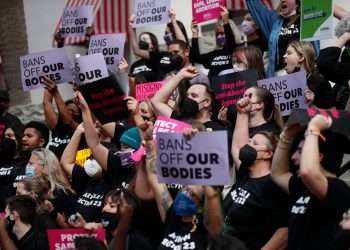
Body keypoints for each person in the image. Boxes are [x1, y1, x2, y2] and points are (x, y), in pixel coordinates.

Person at [271, 114, 350, 249]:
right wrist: (286, 136)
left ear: (318, 156)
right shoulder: (302, 185)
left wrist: (313, 129)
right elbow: (279, 173)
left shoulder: (337, 187)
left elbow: (308, 171)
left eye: (300, 151)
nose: (293, 157)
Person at [142, 122, 223, 250]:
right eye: (184, 189)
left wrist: (199, 144)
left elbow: (212, 193)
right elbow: (154, 176)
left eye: (191, 193)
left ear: (202, 203)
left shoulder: (209, 227)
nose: (184, 193)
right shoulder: (171, 216)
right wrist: (148, 140)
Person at [223, 96, 288, 249]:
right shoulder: (245, 173)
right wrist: (242, 114)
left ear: (268, 154)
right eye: (250, 140)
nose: (249, 144)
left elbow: (284, 230)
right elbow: (237, 147)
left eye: (255, 143)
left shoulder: (273, 185)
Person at [246, 0, 320, 77]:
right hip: (279, 77)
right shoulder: (274, 21)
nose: (282, 0)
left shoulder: (309, 19)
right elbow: (257, 9)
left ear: (297, 3)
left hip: (304, 75)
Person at [151, 66, 224, 131]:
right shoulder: (179, 120)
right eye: (187, 95)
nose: (188, 98)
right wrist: (180, 75)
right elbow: (156, 101)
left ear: (206, 102)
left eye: (194, 96)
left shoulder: (218, 129)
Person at [24, 148, 76, 227]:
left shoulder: (64, 193)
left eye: (31, 163)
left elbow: (70, 228)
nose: (27, 167)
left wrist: (51, 210)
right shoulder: (24, 187)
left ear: (45, 166)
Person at [283, 40, 334, 109]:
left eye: (289, 53)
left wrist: (311, 104)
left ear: (301, 58)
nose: (284, 56)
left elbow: (334, 115)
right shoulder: (284, 85)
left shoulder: (320, 84)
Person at [190, 7, 237, 80]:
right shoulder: (213, 54)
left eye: (222, 33)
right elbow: (196, 58)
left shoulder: (234, 51)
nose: (219, 36)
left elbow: (231, 42)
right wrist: (195, 33)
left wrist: (226, 22)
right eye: (217, 34)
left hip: (231, 87)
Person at [42, 77, 81, 159]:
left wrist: (56, 92)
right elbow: (47, 103)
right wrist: (48, 83)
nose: (69, 112)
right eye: (67, 109)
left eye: (73, 111)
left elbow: (69, 122)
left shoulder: (81, 129)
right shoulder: (57, 128)